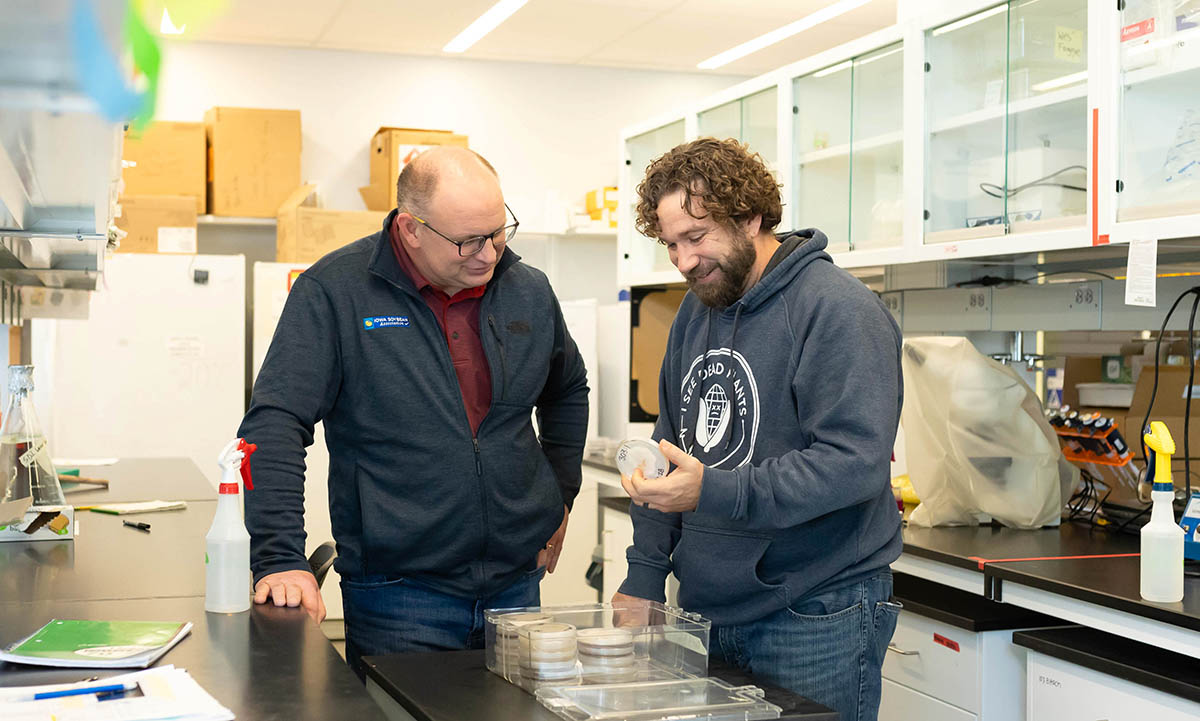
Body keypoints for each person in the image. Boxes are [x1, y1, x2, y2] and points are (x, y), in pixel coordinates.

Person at [239, 146, 589, 679]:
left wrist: (560, 494)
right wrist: (280, 557)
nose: (489, 254)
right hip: (398, 597)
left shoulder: (529, 291)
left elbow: (568, 388)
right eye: (468, 240)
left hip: (516, 588)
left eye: (499, 232)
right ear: (410, 229)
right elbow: (275, 423)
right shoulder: (335, 291)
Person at [613, 137, 903, 721]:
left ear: (750, 217)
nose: (684, 261)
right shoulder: (697, 309)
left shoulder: (838, 309)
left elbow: (853, 462)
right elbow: (666, 449)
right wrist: (644, 572)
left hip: (816, 610)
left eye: (696, 238)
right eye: (671, 245)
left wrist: (714, 490)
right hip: (706, 609)